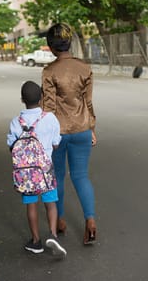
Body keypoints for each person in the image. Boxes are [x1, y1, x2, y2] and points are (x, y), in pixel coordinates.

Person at [41, 23, 97, 245]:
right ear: (69, 44)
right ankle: (91, 222)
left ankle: (60, 221)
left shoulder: (49, 71)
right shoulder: (85, 68)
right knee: (81, 176)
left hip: (58, 134)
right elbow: (88, 102)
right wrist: (92, 128)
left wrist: (44, 137)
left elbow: (48, 108)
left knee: (57, 178)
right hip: (82, 130)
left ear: (51, 47)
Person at [7, 81, 67, 257]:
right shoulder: (50, 118)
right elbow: (56, 144)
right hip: (46, 170)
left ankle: (35, 242)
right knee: (50, 203)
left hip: (26, 173)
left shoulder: (15, 122)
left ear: (22, 100)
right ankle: (53, 235)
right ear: (41, 98)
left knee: (31, 205)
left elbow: (12, 147)